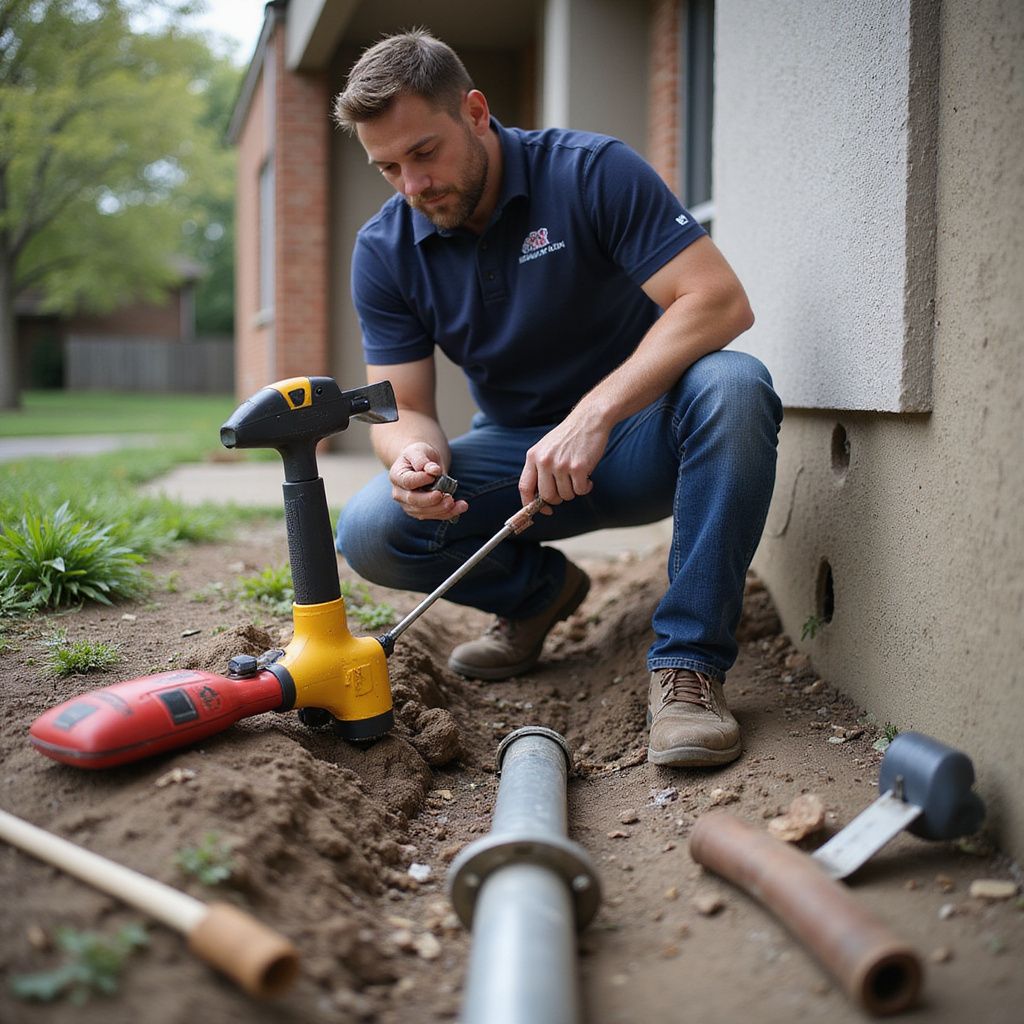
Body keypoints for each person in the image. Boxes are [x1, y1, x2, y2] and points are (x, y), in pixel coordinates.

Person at [332, 29, 783, 767]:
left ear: (475, 111)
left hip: (646, 438)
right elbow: (402, 404)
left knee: (734, 384)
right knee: (373, 525)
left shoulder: (592, 172)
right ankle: (537, 595)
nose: (412, 186)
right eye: (388, 168)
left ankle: (689, 666)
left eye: (424, 154)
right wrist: (410, 455)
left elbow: (718, 301)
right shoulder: (384, 249)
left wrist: (595, 412)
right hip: (524, 471)